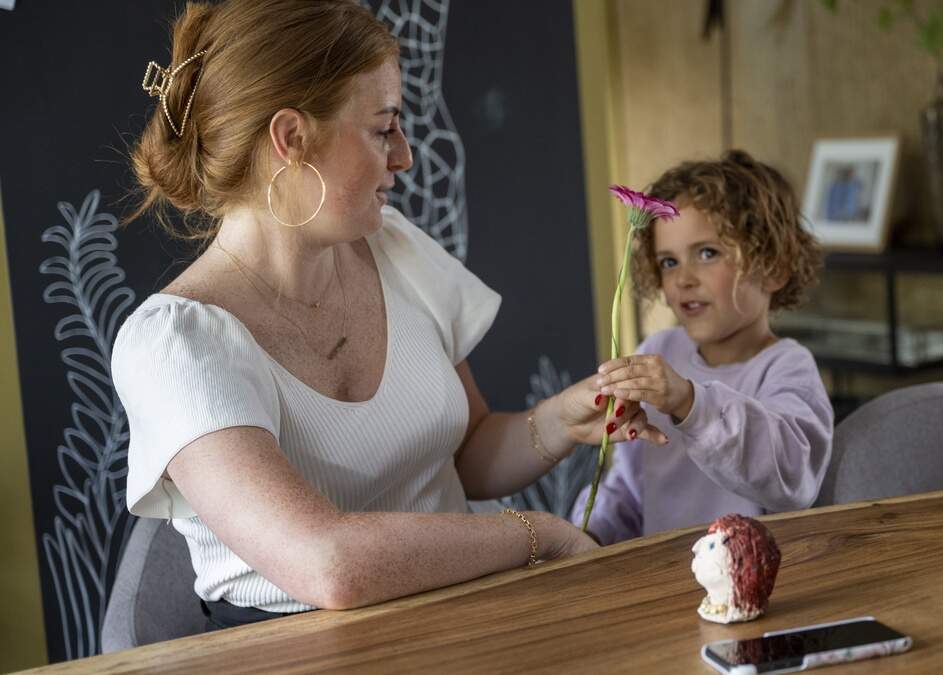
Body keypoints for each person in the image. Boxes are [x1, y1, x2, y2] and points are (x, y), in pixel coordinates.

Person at [113, 0, 660, 630]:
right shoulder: (174, 344)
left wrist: (563, 419)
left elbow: (467, 456)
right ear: (291, 140)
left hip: (464, 625)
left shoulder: (395, 251)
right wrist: (538, 536)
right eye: (383, 128)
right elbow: (328, 564)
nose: (403, 156)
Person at [571, 150, 834, 544]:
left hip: (749, 585)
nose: (683, 279)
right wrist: (585, 536)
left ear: (774, 267)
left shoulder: (786, 366)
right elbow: (629, 486)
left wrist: (690, 402)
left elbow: (791, 476)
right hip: (660, 577)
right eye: (669, 262)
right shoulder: (661, 349)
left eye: (707, 253)